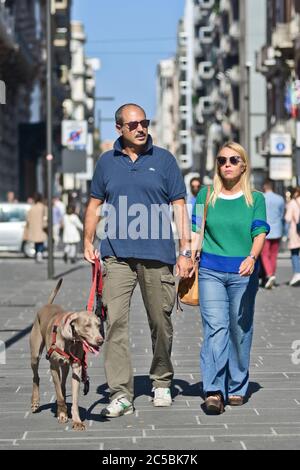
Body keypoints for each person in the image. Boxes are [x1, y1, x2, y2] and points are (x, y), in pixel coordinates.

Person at [84, 103, 192, 418]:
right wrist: (87, 241)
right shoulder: (106, 162)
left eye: (144, 122)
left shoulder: (164, 160)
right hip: (116, 257)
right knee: (114, 322)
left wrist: (185, 251)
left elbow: (179, 207)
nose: (141, 128)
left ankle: (161, 380)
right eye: (133, 125)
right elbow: (93, 205)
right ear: (119, 128)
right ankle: (120, 393)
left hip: (157, 255)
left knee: (161, 322)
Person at [191, 142, 269, 414]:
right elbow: (196, 228)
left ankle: (236, 386)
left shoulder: (255, 199)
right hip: (210, 271)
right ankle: (213, 390)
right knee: (216, 328)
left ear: (244, 165)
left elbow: (260, 231)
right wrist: (189, 256)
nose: (227, 164)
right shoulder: (205, 194)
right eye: (222, 160)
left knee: (239, 329)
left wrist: (252, 257)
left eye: (234, 160)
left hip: (243, 272)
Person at [260, 179, 285, 289]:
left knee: (264, 254)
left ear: (265, 186)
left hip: (265, 230)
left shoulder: (261, 197)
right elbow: (281, 214)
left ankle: (269, 274)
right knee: (274, 255)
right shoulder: (280, 199)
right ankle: (272, 275)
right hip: (277, 229)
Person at [25, 193, 47, 263]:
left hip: (33, 228)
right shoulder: (43, 207)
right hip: (41, 227)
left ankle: (37, 253)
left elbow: (28, 219)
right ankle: (39, 254)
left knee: (36, 242)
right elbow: (46, 217)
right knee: (41, 242)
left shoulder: (32, 208)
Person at [285, 187, 300, 286]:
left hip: (296, 232)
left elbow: (288, 218)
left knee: (294, 253)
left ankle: (297, 273)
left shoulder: (293, 203)